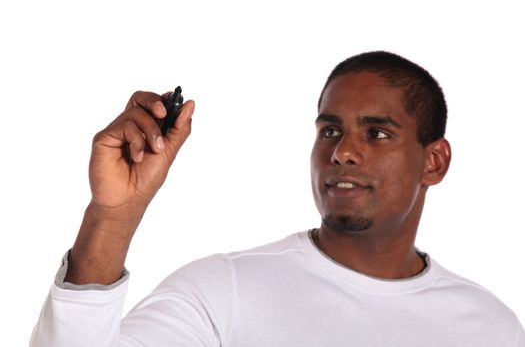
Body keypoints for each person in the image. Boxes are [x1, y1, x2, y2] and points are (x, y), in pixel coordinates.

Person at [30, 51, 525, 346]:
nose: (343, 152)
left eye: (377, 133)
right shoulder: (224, 291)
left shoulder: (491, 328)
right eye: (330, 130)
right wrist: (114, 215)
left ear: (433, 161)